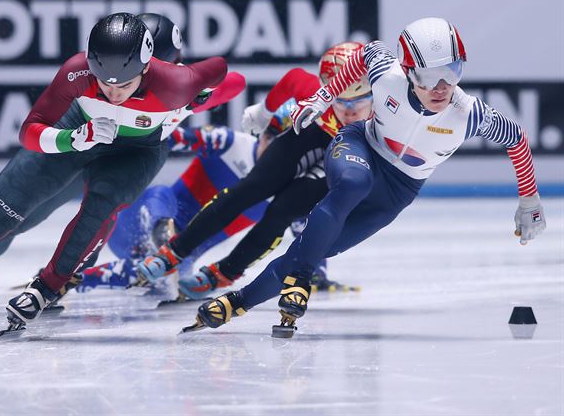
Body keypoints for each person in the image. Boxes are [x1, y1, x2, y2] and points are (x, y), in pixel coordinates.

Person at [180, 17, 547, 337]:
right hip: (360, 145)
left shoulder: (469, 114)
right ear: (407, 70)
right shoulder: (386, 74)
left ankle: (237, 302)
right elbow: (365, 53)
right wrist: (323, 99)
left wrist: (529, 200)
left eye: (452, 73)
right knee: (353, 184)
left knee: (319, 246)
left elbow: (516, 138)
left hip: (399, 188)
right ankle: (302, 279)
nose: (441, 88)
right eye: (429, 76)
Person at [0, 12, 228, 332]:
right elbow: (30, 131)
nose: (113, 93)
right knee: (3, 210)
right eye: (102, 80)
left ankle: (49, 284)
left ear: (150, 66)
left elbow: (221, 69)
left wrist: (203, 95)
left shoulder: (178, 83)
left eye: (124, 84)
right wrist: (74, 137)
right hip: (80, 133)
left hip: (135, 152)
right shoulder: (77, 71)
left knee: (99, 208)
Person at [133, 42, 373, 300]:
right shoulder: (313, 91)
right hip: (316, 135)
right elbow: (292, 80)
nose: (349, 111)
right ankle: (175, 250)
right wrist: (264, 113)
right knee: (249, 189)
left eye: (359, 101)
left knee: (283, 210)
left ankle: (226, 271)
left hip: (353, 153)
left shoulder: (389, 114)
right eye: (340, 101)